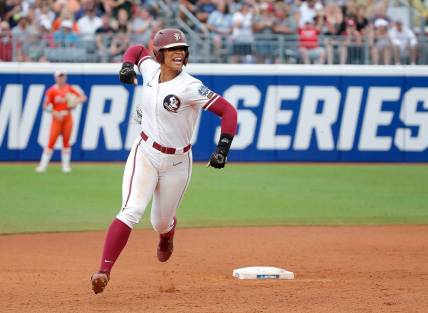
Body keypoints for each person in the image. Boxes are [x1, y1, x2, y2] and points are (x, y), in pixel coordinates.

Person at [90, 28, 238, 294]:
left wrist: (223, 147)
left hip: (179, 161)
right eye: (172, 49)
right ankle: (103, 271)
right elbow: (136, 50)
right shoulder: (149, 70)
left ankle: (167, 234)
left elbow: (228, 111)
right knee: (131, 209)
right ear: (159, 54)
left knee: (160, 221)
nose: (178, 53)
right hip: (145, 151)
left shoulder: (191, 86)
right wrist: (126, 64)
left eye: (182, 49)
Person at [35, 71, 87, 173]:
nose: (61, 79)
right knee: (51, 142)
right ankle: (43, 165)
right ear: (56, 78)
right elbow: (45, 106)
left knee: (66, 142)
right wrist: (54, 112)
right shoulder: (52, 91)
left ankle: (66, 166)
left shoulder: (69, 88)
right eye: (59, 77)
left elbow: (83, 97)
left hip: (67, 117)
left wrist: (74, 102)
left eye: (63, 77)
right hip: (57, 118)